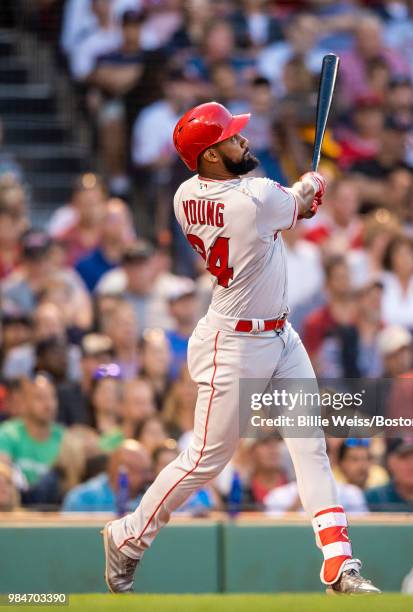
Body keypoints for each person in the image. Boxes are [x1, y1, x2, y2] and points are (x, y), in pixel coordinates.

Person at [102, 101, 380, 594]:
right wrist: (312, 186)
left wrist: (301, 195)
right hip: (234, 342)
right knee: (208, 456)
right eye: (230, 138)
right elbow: (299, 203)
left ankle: (339, 561)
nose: (242, 141)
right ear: (210, 156)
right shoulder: (251, 200)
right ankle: (127, 536)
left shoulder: (186, 193)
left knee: (309, 443)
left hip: (278, 333)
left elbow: (289, 204)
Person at [0, 374, 64, 488]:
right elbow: (3, 475)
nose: (48, 404)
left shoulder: (64, 438)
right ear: (24, 403)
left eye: (52, 397)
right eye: (40, 398)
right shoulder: (7, 434)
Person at [63, 439, 152, 512]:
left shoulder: (152, 499)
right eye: (142, 472)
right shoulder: (82, 498)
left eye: (148, 471)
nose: (148, 477)